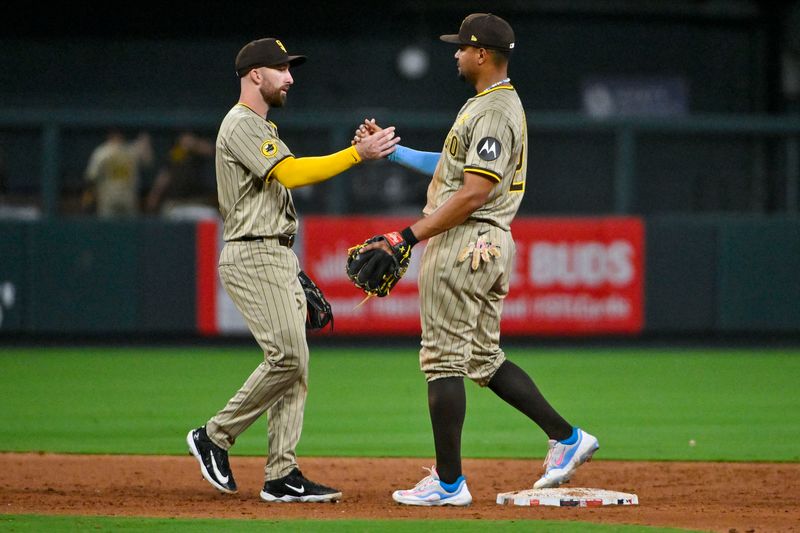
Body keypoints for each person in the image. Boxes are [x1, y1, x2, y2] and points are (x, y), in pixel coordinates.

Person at [352, 13, 599, 506]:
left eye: (462, 47)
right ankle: (567, 438)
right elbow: (454, 171)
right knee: (482, 359)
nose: (456, 54)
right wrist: (392, 151)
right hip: (488, 243)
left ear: (482, 53)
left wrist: (407, 236)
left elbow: (473, 192)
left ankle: (449, 484)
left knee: (442, 360)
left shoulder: (493, 111)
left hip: (466, 240)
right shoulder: (491, 105)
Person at [186, 37, 399, 503]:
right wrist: (355, 156)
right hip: (253, 252)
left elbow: (286, 179)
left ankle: (282, 474)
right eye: (281, 68)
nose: (290, 77)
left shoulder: (263, 126)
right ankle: (214, 436)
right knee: (286, 355)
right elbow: (293, 174)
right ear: (254, 75)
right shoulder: (240, 123)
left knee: (295, 364)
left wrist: (355, 150)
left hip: (276, 252)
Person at [145, 131, 217, 219]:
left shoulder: (198, 153)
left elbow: (211, 149)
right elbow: (164, 175)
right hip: (175, 203)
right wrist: (154, 195)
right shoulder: (176, 154)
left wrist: (194, 144)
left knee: (212, 217)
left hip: (196, 202)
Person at [82, 129, 153, 217]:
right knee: (107, 226)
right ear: (109, 137)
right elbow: (91, 176)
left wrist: (145, 141)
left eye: (118, 135)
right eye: (114, 135)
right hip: (108, 198)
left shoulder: (131, 150)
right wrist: (89, 198)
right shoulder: (102, 152)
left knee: (129, 226)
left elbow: (148, 162)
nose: (117, 138)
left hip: (128, 198)